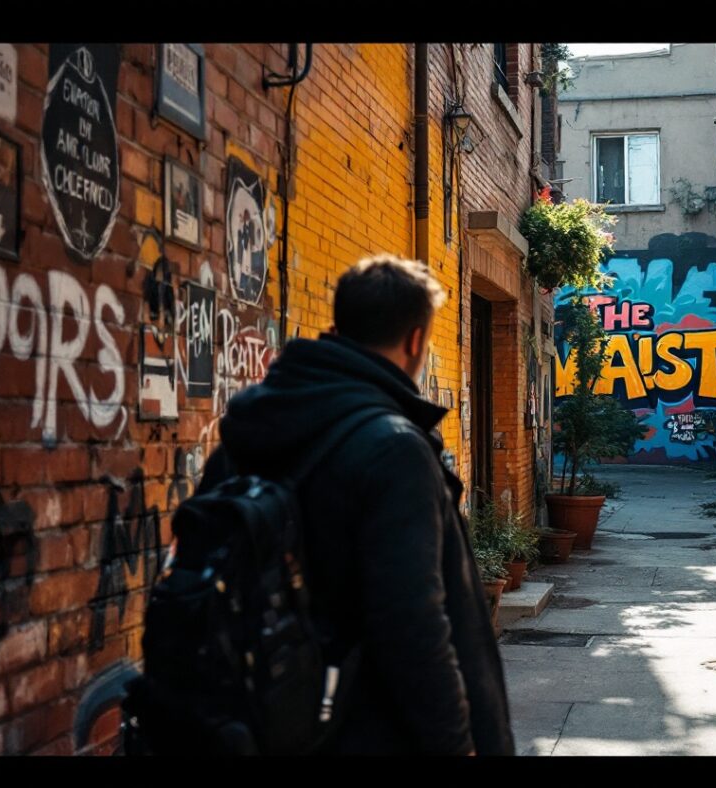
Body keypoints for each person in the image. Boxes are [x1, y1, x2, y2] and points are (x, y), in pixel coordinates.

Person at [196, 254, 515, 756]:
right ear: (415, 341)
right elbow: (414, 630)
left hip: (255, 718)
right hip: (365, 730)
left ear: (338, 326)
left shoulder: (250, 430)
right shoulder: (394, 449)